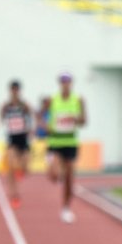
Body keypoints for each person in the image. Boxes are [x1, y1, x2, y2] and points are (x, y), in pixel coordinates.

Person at [46, 73, 86, 224]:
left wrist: (74, 118)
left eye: (68, 82)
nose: (65, 84)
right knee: (54, 175)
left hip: (70, 142)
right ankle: (57, 172)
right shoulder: (53, 100)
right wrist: (46, 125)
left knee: (70, 178)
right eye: (63, 82)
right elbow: (42, 116)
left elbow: (83, 121)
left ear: (71, 83)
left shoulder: (78, 100)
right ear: (59, 84)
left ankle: (66, 208)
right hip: (55, 142)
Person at [0, 81, 33, 208]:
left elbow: (30, 117)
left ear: (19, 91)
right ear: (10, 91)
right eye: (12, 90)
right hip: (12, 139)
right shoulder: (6, 106)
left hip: (23, 139)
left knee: (25, 168)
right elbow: (1, 118)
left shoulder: (24, 105)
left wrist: (30, 129)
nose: (14, 92)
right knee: (11, 167)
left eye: (16, 90)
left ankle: (21, 172)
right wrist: (3, 113)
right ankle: (14, 196)